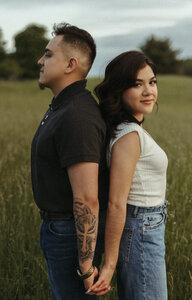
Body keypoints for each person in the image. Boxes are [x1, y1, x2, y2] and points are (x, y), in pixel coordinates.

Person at [31, 23, 109, 299]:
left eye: (48, 55)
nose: (40, 61)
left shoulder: (77, 115)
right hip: (57, 231)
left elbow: (87, 199)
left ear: (70, 64)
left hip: (68, 236)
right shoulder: (62, 106)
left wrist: (86, 267)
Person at [89, 51, 168, 299]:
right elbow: (116, 202)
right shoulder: (129, 135)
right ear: (119, 90)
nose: (148, 91)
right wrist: (109, 265)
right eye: (137, 84)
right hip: (141, 229)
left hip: (145, 227)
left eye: (151, 82)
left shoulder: (130, 129)